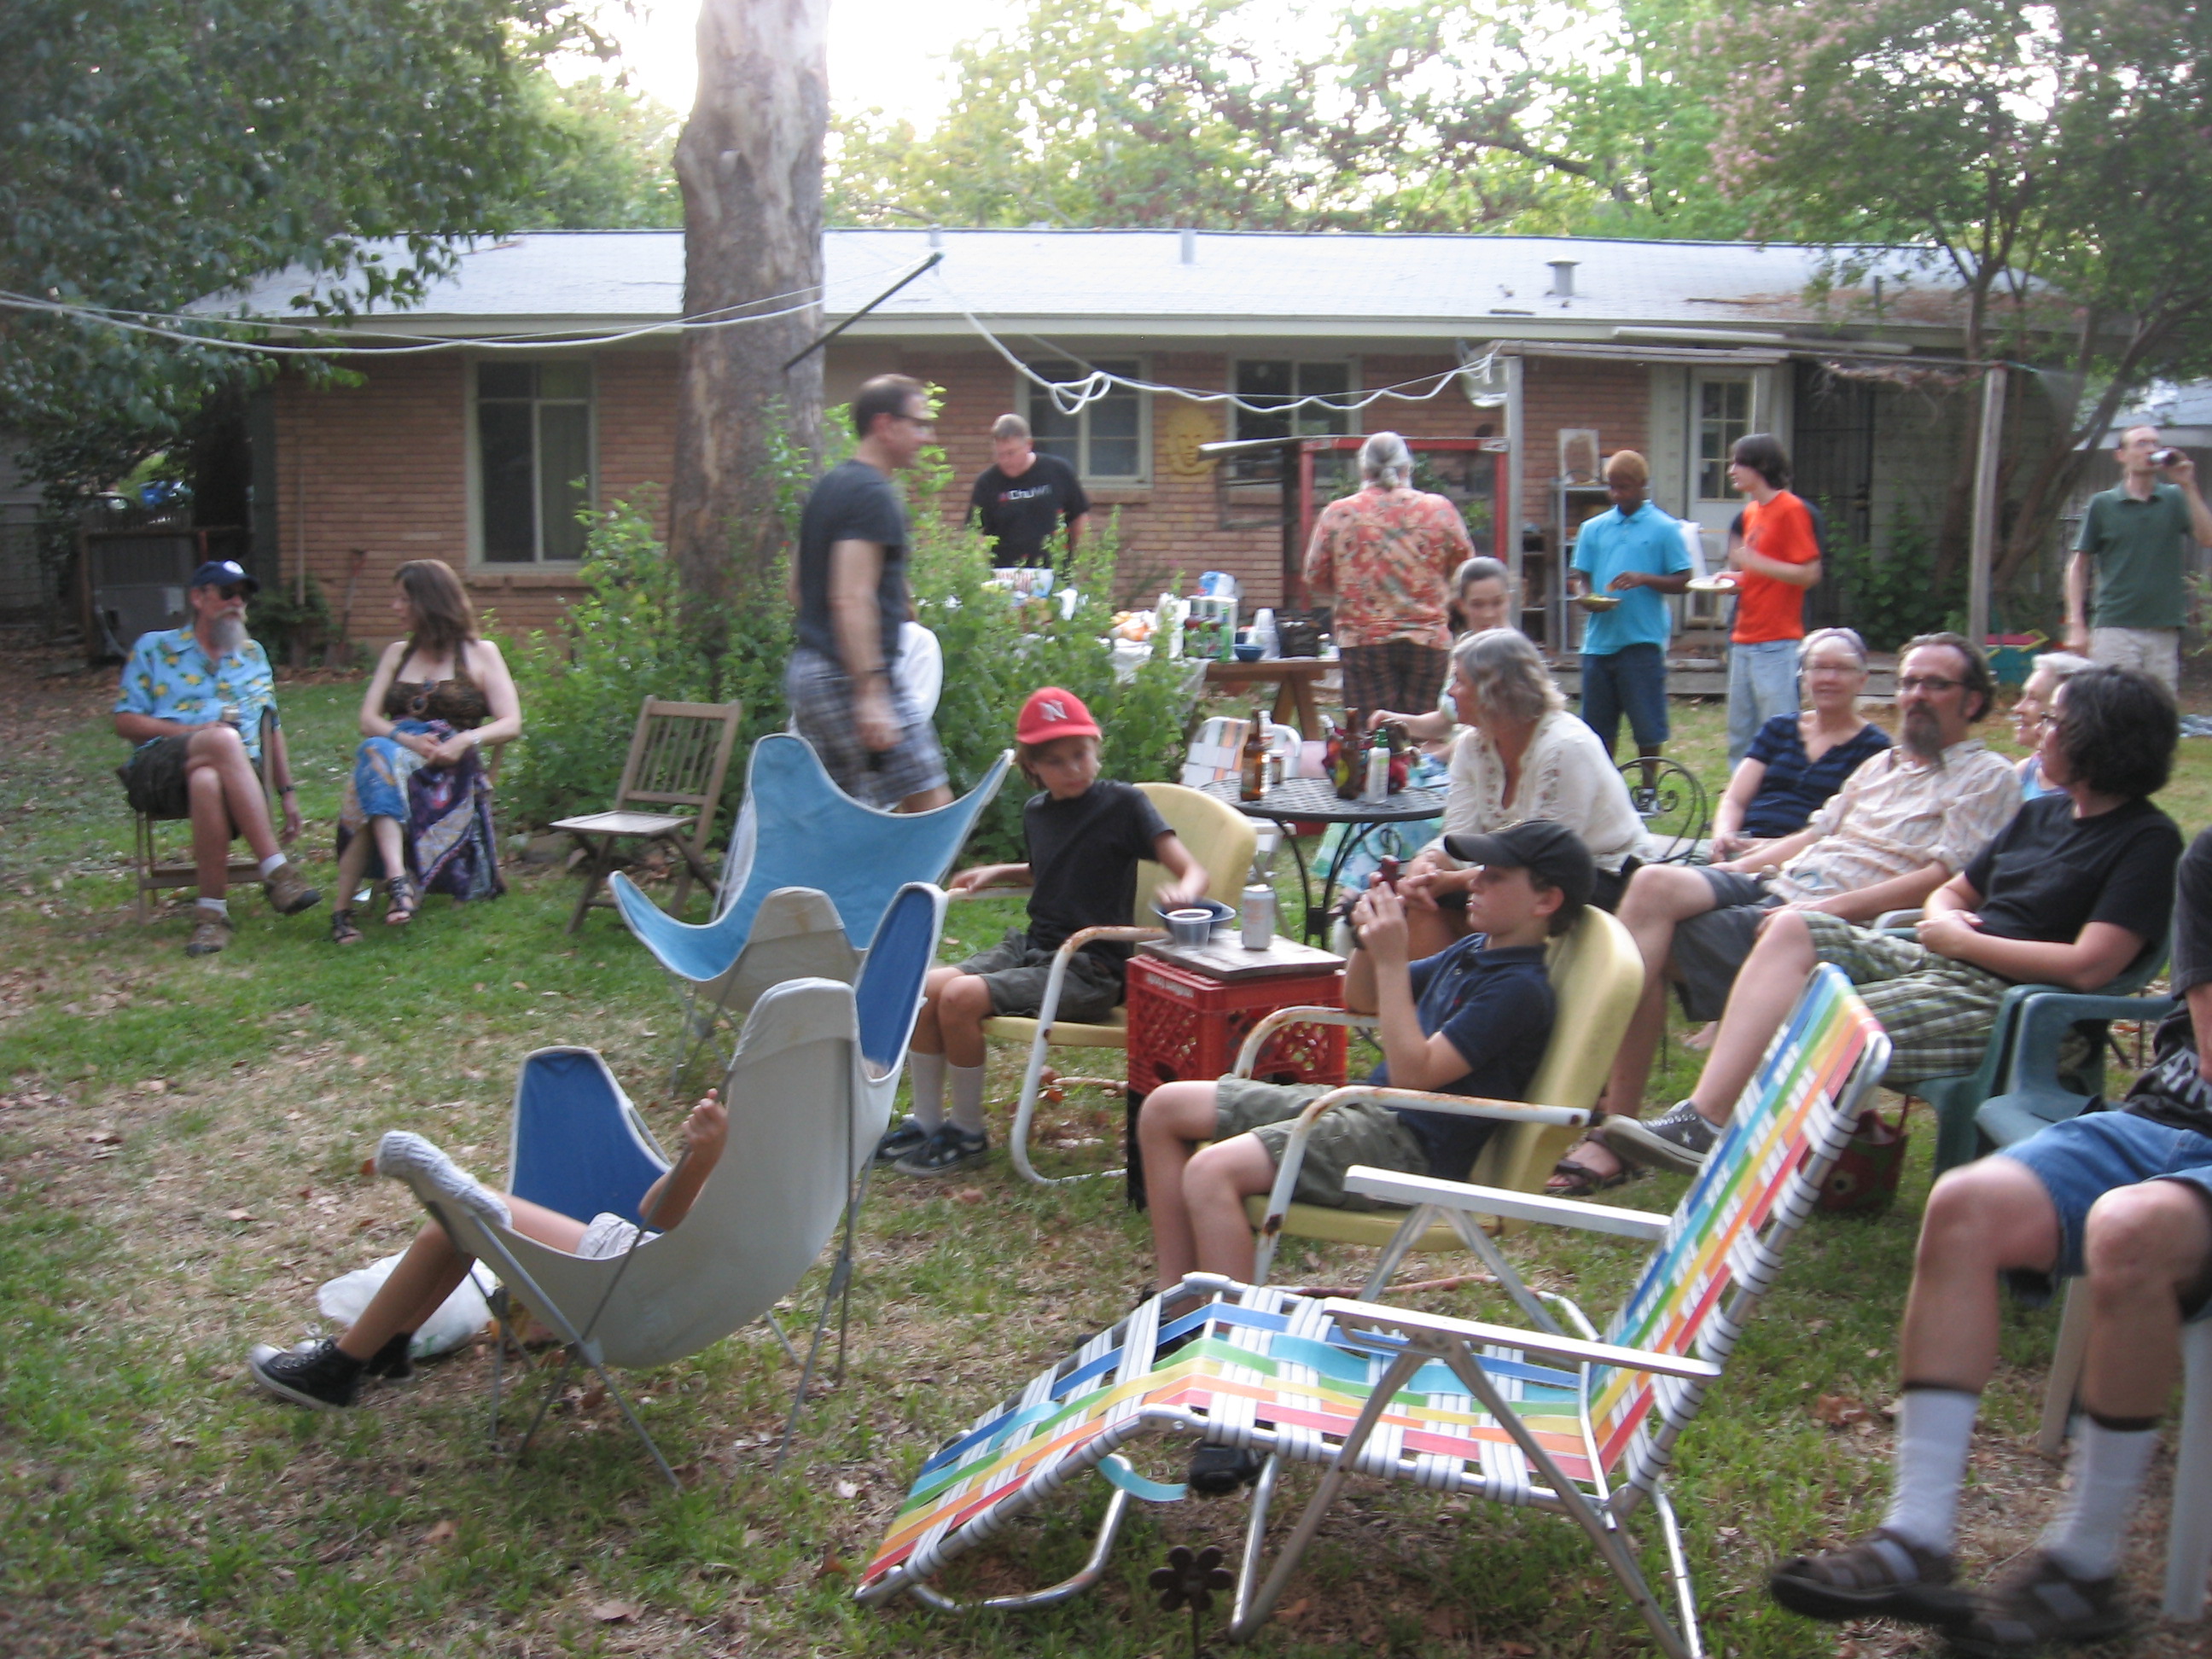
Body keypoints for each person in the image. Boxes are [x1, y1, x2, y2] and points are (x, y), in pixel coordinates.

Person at [1762, 828, 2212, 1656]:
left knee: (2130, 1228)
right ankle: (1917, 1540)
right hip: (2165, 1122)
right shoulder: (2211, 857)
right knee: (1965, 1203)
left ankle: (2083, 1568)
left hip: (2175, 1177)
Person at [1609, 665, 2180, 1183]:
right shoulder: (2042, 812)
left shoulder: (2146, 840)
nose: (2041, 727)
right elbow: (1954, 888)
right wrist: (1945, 923)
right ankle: (1704, 1123)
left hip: (2010, 1005)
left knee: (1820, 1021)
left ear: (2098, 739)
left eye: (2057, 720)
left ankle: (1762, 1167)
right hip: (1939, 961)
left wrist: (1964, 940)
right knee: (1793, 929)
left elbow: (2091, 967)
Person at [1136, 820, 1576, 1490]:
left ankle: (1241, 1388)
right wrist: (1371, 936)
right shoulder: (1476, 952)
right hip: (1366, 1113)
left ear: (1546, 901)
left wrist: (1398, 958)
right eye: (1479, 872)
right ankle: (1182, 1310)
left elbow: (1415, 1073)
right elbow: (1364, 999)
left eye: (1495, 877)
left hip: (1409, 1149)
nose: (1474, 885)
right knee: (1164, 1110)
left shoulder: (1518, 989)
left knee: (1211, 1172)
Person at [1553, 633, 2018, 1196]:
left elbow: (1947, 875)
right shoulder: (1880, 765)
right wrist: (1748, 867)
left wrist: (1824, 908)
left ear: (1971, 701)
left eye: (1934, 684)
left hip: (1838, 922)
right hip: (1781, 887)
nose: (1915, 695)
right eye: (1908, 682)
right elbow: (1815, 834)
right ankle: (1607, 1116)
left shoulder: (1987, 774)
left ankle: (1615, 1136)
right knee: (1651, 886)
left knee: (1646, 947)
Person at [876, 687, 1209, 1177]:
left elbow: (1191, 870)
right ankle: (927, 1121)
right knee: (925, 990)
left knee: (961, 997)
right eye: (1055, 761)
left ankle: (967, 1132)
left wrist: (1186, 893)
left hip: (1089, 964)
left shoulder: (1123, 805)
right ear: (1033, 769)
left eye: (1080, 754)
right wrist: (1003, 872)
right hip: (1036, 946)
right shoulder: (1039, 812)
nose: (1073, 768)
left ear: (1096, 747)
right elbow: (1052, 868)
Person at [245, 1093, 728, 1410]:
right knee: (461, 1224)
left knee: (461, 1220)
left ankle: (341, 1368)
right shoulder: (795, 1177)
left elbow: (659, 1211)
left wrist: (703, 1157)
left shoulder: (766, 1150)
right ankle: (386, 1347)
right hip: (672, 1286)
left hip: (630, 1281)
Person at [1392, 630, 1645, 955]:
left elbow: (1551, 860)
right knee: (1425, 897)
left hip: (1596, 875)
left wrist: (1452, 881)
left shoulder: (1566, 746)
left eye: (1460, 681)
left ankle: (1482, 989)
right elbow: (1457, 836)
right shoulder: (1473, 744)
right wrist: (1424, 866)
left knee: (1459, 896)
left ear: (1495, 691)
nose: (1451, 691)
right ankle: (1445, 996)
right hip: (1515, 873)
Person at [113, 558, 318, 956]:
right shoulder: (155, 648)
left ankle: (211, 917)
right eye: (227, 593)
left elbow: (269, 725)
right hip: (160, 770)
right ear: (198, 598)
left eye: (243, 595)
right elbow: (124, 722)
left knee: (208, 778)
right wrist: (192, 733)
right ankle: (277, 870)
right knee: (222, 739)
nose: (237, 602)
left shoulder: (253, 655)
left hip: (236, 778)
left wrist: (288, 792)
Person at [329, 560, 521, 942]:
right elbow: (369, 718)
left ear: (429, 603)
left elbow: (511, 722)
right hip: (396, 750)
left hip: (449, 766)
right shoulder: (397, 654)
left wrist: (465, 740)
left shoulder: (480, 653)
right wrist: (407, 740)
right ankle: (399, 881)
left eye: (403, 599)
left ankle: (342, 912)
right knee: (376, 756)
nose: (394, 608)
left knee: (372, 770)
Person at [789, 374, 954, 812]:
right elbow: (850, 596)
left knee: (845, 819)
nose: (927, 436)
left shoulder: (831, 487)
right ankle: (916, 884)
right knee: (932, 809)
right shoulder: (872, 494)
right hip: (847, 675)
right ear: (885, 425)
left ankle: (838, 883)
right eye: (919, 424)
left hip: (811, 673)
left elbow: (798, 588)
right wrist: (870, 692)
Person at [1303, 431, 1476, 718]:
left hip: (1363, 642)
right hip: (1428, 641)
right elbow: (1465, 568)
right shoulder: (1439, 510)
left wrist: (1353, 588)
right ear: (1407, 466)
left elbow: (1315, 576)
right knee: (1424, 737)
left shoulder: (1339, 514)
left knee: (1370, 737)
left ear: (1363, 469)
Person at [1704, 627, 1892, 863]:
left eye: (1842, 669)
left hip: (1812, 860)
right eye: (1819, 667)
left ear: (1861, 681)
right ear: (1804, 677)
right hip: (1743, 846)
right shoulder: (1778, 728)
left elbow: (1853, 828)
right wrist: (1724, 836)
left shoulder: (1874, 747)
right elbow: (1734, 799)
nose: (1829, 678)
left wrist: (1775, 848)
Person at [2064, 424, 2212, 695]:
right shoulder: (2103, 504)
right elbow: (2078, 566)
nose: (2151, 450)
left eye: (2155, 444)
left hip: (2163, 627)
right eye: (2142, 444)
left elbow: (2207, 538)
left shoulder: (2175, 497)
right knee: (2114, 707)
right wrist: (2077, 624)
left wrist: (2188, 485)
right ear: (2121, 455)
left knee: (2159, 710)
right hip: (2115, 626)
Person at [1569, 450, 1692, 767]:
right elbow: (1580, 576)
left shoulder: (1664, 528)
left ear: (1641, 485)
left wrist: (1644, 579)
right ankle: (1604, 785)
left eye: (1624, 487)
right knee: (1598, 726)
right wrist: (1585, 596)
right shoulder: (1593, 528)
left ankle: (1649, 789)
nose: (1616, 494)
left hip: (1641, 639)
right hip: (1599, 642)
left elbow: (1683, 579)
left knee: (1647, 723)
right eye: (1611, 487)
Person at [1719, 434, 1823, 767]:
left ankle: (1780, 806)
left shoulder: (1790, 509)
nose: (1730, 470)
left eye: (1738, 463)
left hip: (1776, 643)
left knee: (1778, 733)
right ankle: (1740, 809)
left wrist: (1757, 564)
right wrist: (1737, 580)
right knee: (1740, 736)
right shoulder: (1751, 512)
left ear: (1762, 465)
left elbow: (1809, 574)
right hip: (1743, 639)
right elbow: (1760, 574)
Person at [966, 412, 1090, 568]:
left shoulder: (1058, 471)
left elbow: (1079, 518)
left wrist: (1081, 561)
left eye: (1011, 453)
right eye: (999, 454)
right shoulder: (986, 483)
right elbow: (976, 534)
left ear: (1028, 445)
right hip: (1005, 579)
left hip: (1055, 574)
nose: (1005, 460)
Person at [2009, 649, 2091, 800]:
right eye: (2023, 696)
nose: (2018, 708)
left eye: (2034, 699)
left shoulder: (2087, 792)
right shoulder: (2023, 772)